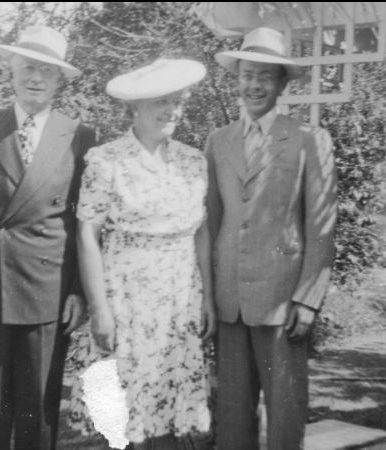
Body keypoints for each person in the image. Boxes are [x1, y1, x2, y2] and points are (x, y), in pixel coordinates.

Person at [0, 26, 96, 450]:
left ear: (59, 80)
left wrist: (79, 292)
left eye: (47, 71)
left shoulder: (79, 136)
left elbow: (84, 223)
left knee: (37, 419)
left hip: (46, 295)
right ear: (10, 70)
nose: (35, 77)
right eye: (28, 66)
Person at [68, 59, 216, 449]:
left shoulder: (193, 161)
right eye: (160, 102)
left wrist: (208, 299)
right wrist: (99, 307)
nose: (171, 111)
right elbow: (87, 234)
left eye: (177, 102)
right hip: (127, 303)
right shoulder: (106, 160)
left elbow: (200, 232)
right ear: (134, 108)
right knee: (124, 419)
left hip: (179, 302)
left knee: (170, 414)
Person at [206, 27, 338, 449]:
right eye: (247, 74)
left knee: (285, 415)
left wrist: (308, 296)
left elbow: (321, 225)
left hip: (283, 301)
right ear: (237, 78)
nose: (254, 85)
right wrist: (207, 297)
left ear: (282, 83)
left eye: (265, 76)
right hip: (230, 301)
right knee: (231, 420)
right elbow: (212, 223)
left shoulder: (308, 140)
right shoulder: (218, 141)